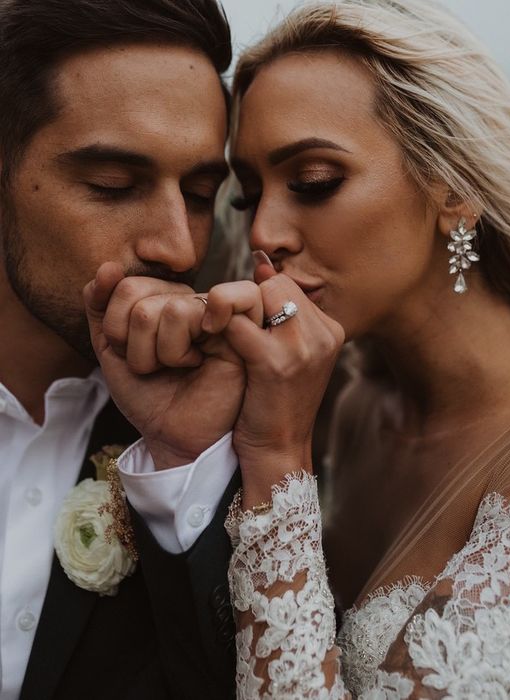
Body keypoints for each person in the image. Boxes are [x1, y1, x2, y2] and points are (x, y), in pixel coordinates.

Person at [97, 0, 510, 696]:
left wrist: (278, 457)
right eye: (247, 195)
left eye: (314, 183)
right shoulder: (358, 409)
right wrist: (188, 450)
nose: (265, 233)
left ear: (456, 189)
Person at [0, 1, 240, 697]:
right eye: (114, 185)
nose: (179, 246)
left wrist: (183, 464)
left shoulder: (226, 439)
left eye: (200, 194)